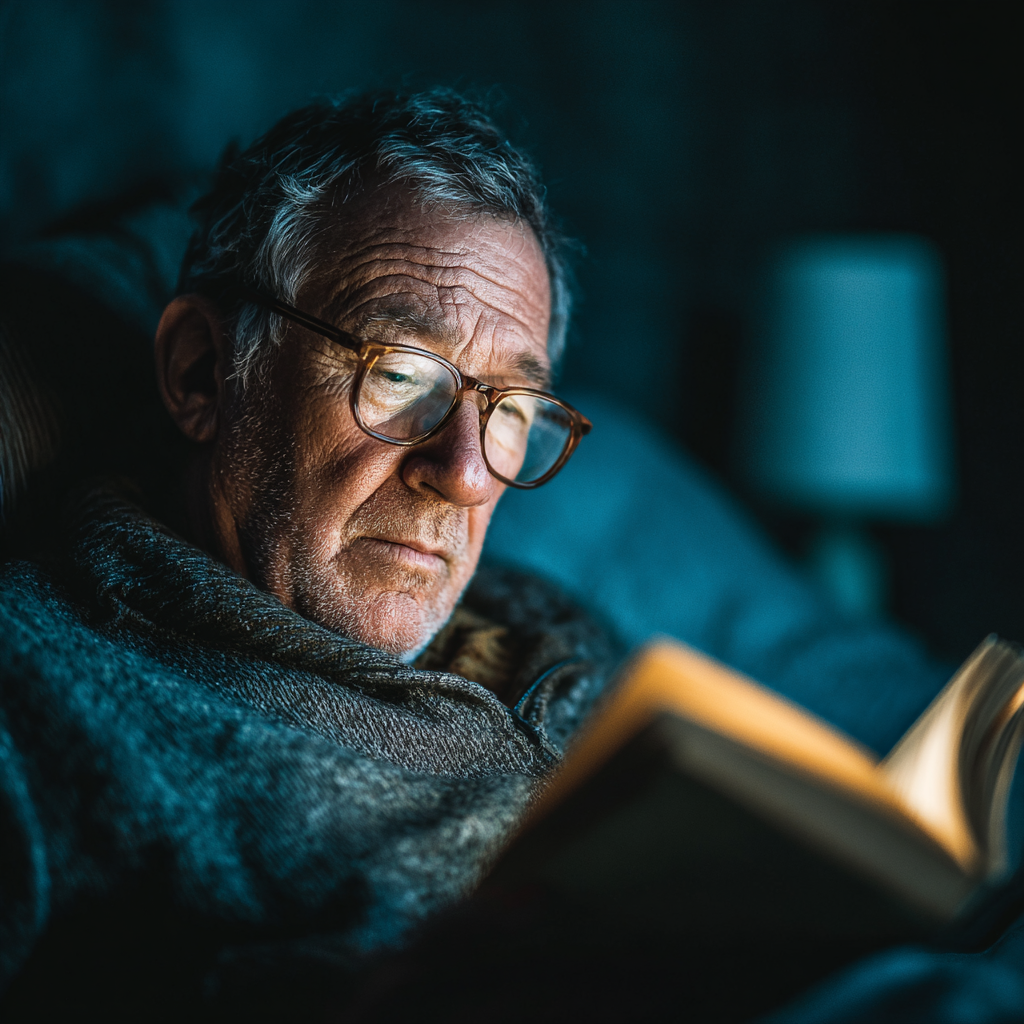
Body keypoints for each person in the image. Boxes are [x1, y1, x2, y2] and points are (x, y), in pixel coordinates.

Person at [1, 88, 1007, 1021]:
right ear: (199, 372)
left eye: (513, 408)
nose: (470, 475)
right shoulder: (43, 691)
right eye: (399, 372)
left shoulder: (539, 612)